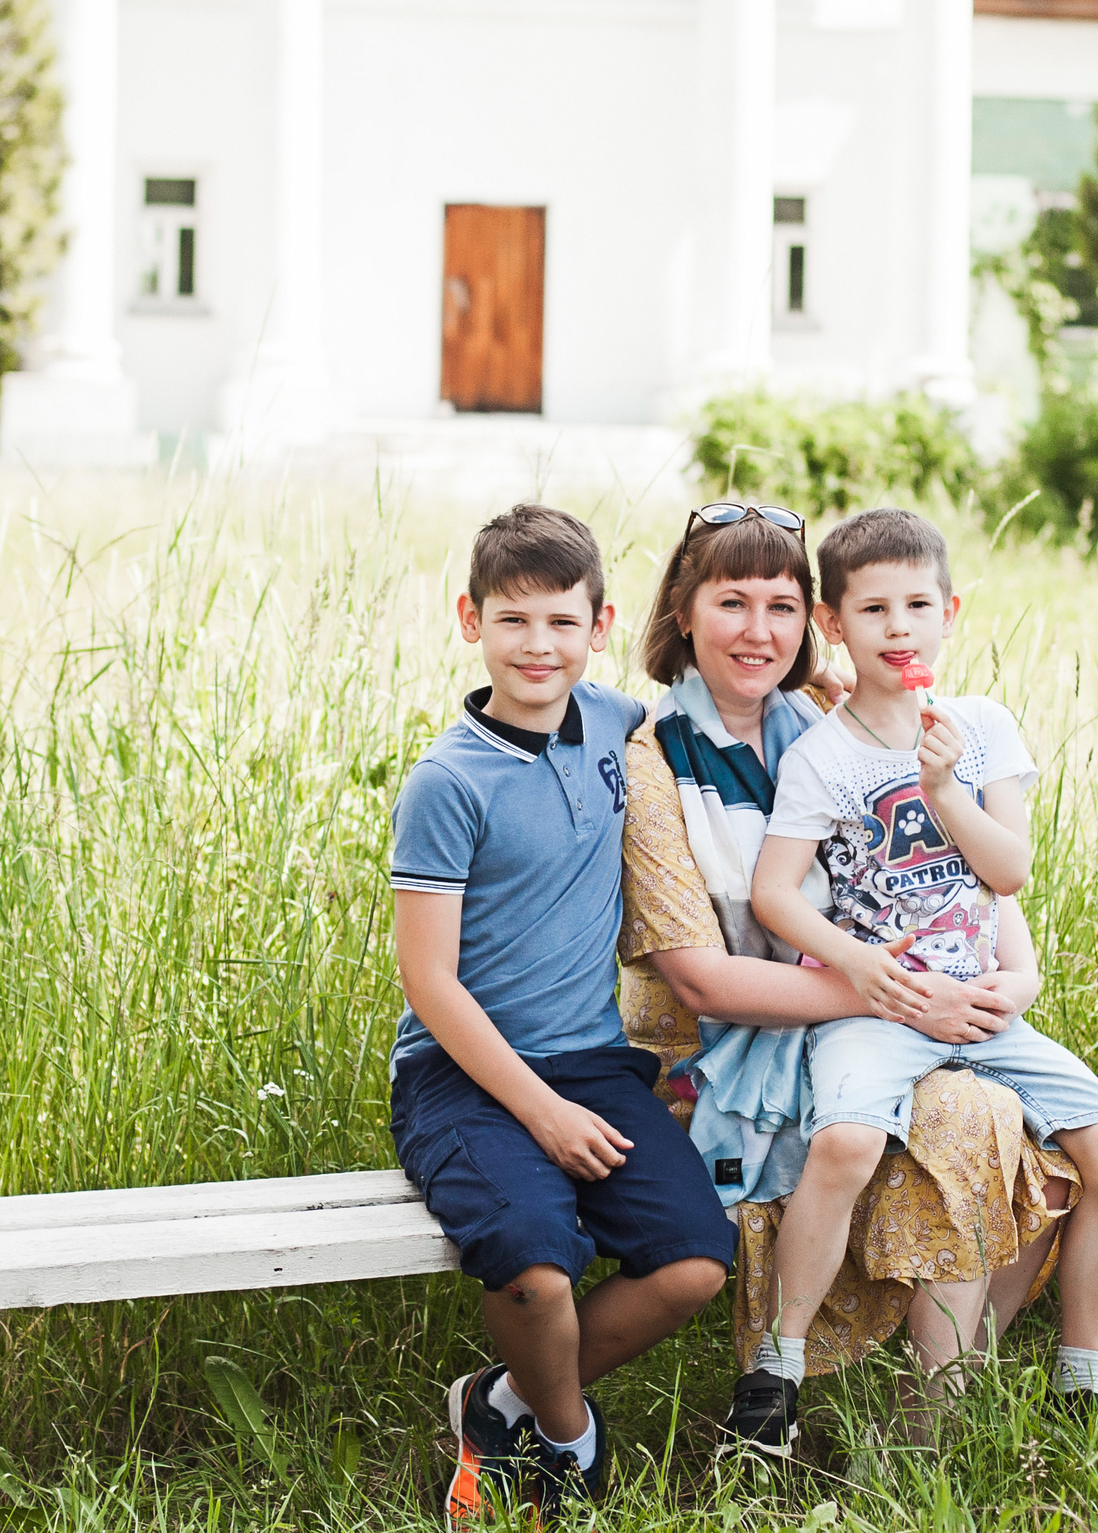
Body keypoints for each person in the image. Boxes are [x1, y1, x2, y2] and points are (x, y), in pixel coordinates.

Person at [613, 501, 1078, 1457]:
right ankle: (770, 1388)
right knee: (926, 1115)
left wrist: (1014, 972)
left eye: (781, 606)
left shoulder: (833, 715)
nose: (759, 630)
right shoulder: (655, 760)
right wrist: (900, 995)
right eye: (732, 602)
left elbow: (958, 880)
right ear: (683, 610)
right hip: (722, 1042)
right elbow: (700, 980)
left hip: (884, 1011)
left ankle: (938, 1419)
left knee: (977, 1116)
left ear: (812, 621)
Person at [738, 506, 1098, 1453]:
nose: (899, 627)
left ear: (950, 611)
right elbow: (775, 894)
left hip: (982, 1006)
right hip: (881, 1009)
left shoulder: (981, 728)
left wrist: (945, 792)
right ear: (834, 625)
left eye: (918, 604)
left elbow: (1008, 871)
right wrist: (858, 964)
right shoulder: (823, 757)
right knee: (842, 1142)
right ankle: (780, 1367)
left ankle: (1080, 1376)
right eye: (873, 609)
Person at [388, 503, 735, 1522]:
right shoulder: (447, 781)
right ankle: (570, 1444)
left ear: (599, 623)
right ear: (470, 619)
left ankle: (498, 1402)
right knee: (537, 1271)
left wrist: (835, 690)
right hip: (465, 1074)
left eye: (561, 623)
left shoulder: (613, 726)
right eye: (513, 620)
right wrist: (538, 1111)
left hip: (593, 1061)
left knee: (691, 1266)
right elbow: (430, 983)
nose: (538, 645)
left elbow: (714, 702)